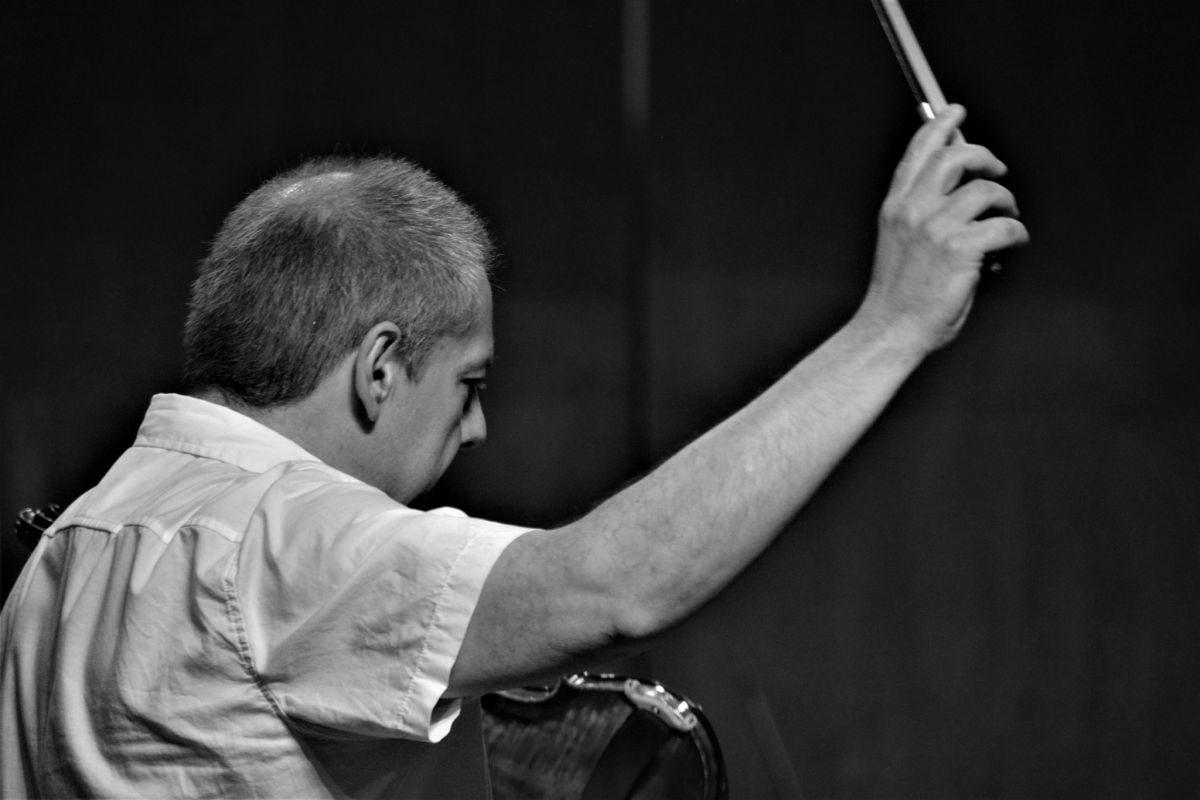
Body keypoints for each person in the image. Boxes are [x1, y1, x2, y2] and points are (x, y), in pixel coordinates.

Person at [0, 105, 1026, 798]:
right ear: (381, 368)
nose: (478, 427)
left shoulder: (72, 547)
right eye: (470, 384)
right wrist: (892, 323)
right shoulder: (280, 538)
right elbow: (615, 587)